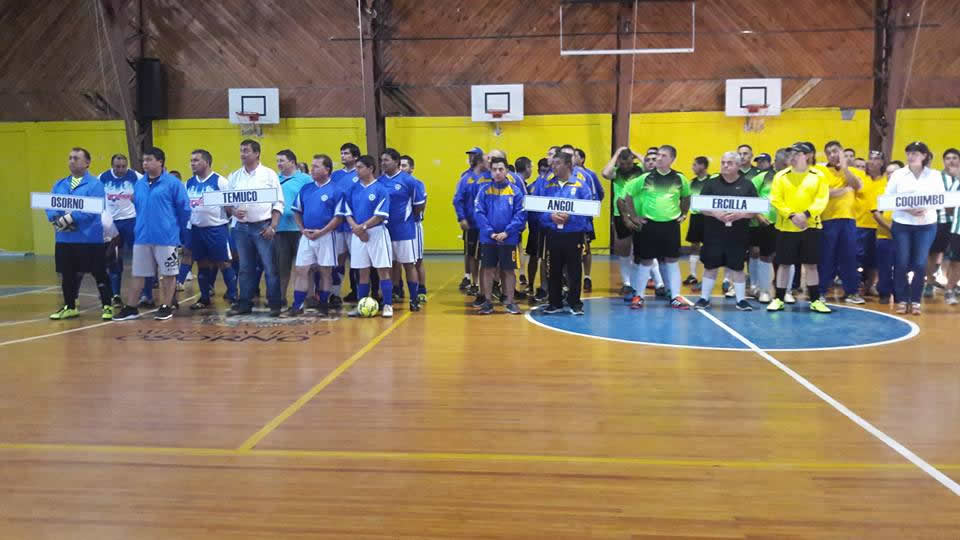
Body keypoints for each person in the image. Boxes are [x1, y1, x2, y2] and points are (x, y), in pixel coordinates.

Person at [114, 147, 191, 321]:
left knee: (168, 273)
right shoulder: (139, 184)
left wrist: (174, 228)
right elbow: (139, 207)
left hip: (166, 237)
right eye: (144, 160)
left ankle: (166, 306)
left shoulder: (173, 183)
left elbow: (184, 209)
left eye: (149, 160)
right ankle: (131, 307)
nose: (145, 163)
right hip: (142, 236)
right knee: (139, 273)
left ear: (160, 162)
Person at [617, 145, 692, 309]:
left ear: (672, 159)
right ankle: (639, 296)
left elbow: (686, 197)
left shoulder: (680, 179)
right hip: (649, 226)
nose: (659, 158)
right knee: (646, 261)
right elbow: (627, 197)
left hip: (671, 225)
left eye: (663, 156)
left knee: (672, 260)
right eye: (658, 155)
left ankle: (675, 296)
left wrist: (684, 213)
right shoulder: (645, 178)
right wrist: (634, 216)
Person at [47, 147, 114, 321]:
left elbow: (92, 209)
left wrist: (69, 218)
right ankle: (70, 306)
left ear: (87, 163)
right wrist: (55, 218)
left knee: (99, 272)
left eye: (76, 158)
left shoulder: (95, 185)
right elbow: (51, 205)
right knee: (67, 273)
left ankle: (107, 305)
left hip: (88, 238)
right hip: (64, 238)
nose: (72, 161)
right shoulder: (59, 184)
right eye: (70, 158)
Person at [766, 142, 831, 314]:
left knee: (811, 265)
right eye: (790, 154)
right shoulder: (780, 176)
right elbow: (775, 199)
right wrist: (792, 215)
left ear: (807, 155)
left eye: (797, 153)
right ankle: (778, 298)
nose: (792, 157)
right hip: (786, 227)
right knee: (784, 264)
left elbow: (822, 199)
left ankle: (815, 300)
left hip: (811, 227)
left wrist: (806, 215)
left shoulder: (818, 176)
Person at [225, 139, 284, 317]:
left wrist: (272, 226)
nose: (242, 154)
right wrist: (234, 212)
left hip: (263, 225)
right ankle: (244, 303)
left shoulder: (269, 175)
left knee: (270, 267)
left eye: (246, 151)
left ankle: (274, 304)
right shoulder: (234, 176)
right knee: (244, 267)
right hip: (241, 228)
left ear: (257, 153)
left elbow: (279, 202)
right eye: (241, 150)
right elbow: (227, 203)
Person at [693, 151, 759, 311]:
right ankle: (704, 298)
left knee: (737, 267)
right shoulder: (711, 184)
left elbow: (755, 209)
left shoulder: (747, 185)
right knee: (710, 266)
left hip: (738, 234)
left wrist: (739, 215)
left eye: (729, 163)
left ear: (737, 165)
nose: (725, 165)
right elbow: (701, 206)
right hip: (713, 234)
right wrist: (715, 213)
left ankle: (741, 300)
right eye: (723, 162)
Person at [884, 141, 945, 314]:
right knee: (901, 263)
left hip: (926, 225)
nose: (911, 156)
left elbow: (940, 198)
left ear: (924, 156)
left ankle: (916, 300)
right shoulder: (898, 175)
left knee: (919, 263)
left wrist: (925, 207)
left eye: (916, 153)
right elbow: (889, 197)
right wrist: (908, 208)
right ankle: (902, 299)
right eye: (909, 152)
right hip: (902, 224)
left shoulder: (934, 175)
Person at [288, 154, 344, 317]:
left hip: (326, 236)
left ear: (327, 170)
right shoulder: (306, 189)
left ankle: (323, 303)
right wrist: (302, 229)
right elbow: (297, 212)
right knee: (301, 269)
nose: (311, 169)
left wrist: (322, 232)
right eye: (311, 166)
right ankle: (297, 305)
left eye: (316, 166)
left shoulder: (336, 190)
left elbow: (338, 217)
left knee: (325, 271)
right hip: (307, 236)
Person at [538, 151, 593, 315]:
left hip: (574, 234)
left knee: (574, 269)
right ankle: (554, 302)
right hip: (553, 234)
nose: (552, 166)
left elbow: (587, 212)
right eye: (552, 163)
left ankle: (575, 302)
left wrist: (570, 218)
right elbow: (539, 211)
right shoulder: (547, 186)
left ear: (568, 165)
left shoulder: (581, 186)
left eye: (557, 163)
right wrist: (550, 217)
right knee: (553, 268)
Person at [340, 155, 395, 318]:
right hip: (357, 233)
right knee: (362, 272)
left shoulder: (381, 189)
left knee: (382, 270)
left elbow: (380, 215)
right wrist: (356, 228)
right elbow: (347, 212)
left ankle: (388, 305)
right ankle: (361, 304)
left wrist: (363, 227)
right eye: (356, 167)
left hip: (377, 233)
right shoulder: (353, 189)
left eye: (360, 167)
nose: (356, 170)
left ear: (370, 168)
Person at [473, 157, 526, 314]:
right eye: (494, 169)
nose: (497, 172)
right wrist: (490, 232)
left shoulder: (516, 192)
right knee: (488, 269)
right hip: (488, 239)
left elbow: (521, 215)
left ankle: (510, 301)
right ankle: (488, 301)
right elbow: (479, 213)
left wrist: (506, 232)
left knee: (508, 270)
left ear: (507, 171)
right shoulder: (483, 190)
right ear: (490, 171)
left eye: (501, 169)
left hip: (509, 239)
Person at [183, 149, 233, 310]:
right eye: (191, 160)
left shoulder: (220, 181)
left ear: (206, 162)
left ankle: (233, 296)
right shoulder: (189, 183)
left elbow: (230, 207)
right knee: (202, 264)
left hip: (216, 229)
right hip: (197, 230)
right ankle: (204, 298)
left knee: (223, 262)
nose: (192, 163)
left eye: (196, 160)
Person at [818, 140, 867, 304]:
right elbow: (824, 194)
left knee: (849, 257)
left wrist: (845, 167)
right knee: (826, 257)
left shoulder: (852, 171)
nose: (833, 155)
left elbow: (857, 186)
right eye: (829, 152)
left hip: (849, 220)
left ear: (842, 152)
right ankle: (821, 291)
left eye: (835, 151)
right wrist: (843, 190)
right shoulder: (821, 171)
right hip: (828, 219)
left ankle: (852, 292)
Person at [379, 148, 426, 311]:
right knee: (388, 265)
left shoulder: (409, 181)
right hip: (384, 231)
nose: (383, 163)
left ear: (396, 161)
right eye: (382, 160)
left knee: (408, 265)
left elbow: (419, 204)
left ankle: (414, 298)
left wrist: (407, 219)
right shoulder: (379, 181)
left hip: (405, 230)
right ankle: (390, 296)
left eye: (386, 160)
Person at [100, 153, 144, 307]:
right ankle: (116, 295)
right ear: (112, 166)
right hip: (112, 224)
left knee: (140, 257)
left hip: (131, 222)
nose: (120, 169)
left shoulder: (136, 177)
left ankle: (145, 293)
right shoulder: (102, 178)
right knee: (114, 258)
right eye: (117, 166)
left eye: (123, 166)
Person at [602, 147, 645, 296]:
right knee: (624, 249)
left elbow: (650, 168)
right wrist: (616, 154)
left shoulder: (640, 170)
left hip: (638, 212)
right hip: (620, 213)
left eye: (629, 164)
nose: (626, 167)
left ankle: (641, 282)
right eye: (623, 164)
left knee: (642, 250)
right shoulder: (616, 172)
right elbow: (605, 173)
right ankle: (627, 283)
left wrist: (636, 154)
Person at [274, 149, 312, 307]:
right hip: (280, 230)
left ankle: (308, 297)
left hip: (299, 230)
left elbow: (311, 201)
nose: (279, 164)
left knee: (304, 267)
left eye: (282, 160)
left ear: (292, 162)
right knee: (282, 268)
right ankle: (281, 297)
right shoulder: (275, 179)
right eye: (277, 161)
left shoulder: (305, 179)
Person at [748, 149, 786, 303]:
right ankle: (763, 290)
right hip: (766, 223)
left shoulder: (792, 178)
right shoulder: (761, 177)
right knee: (765, 256)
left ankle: (786, 291)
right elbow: (749, 196)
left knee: (786, 258)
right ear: (776, 161)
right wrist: (758, 216)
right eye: (785, 162)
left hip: (787, 223)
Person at [922, 148, 959, 299]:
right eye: (948, 158)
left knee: (954, 257)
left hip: (957, 223)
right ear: (943, 161)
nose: (951, 161)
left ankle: (952, 284)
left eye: (954, 158)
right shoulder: (937, 177)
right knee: (933, 253)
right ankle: (929, 283)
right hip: (940, 221)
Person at [453, 148, 488, 296]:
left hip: (488, 225)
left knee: (488, 256)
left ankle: (489, 284)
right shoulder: (465, 178)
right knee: (472, 255)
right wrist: (461, 218)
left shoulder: (490, 177)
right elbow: (458, 200)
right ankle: (474, 283)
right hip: (472, 224)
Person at [854, 150, 888, 298]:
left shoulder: (887, 181)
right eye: (871, 158)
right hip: (859, 224)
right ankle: (857, 285)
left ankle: (870, 286)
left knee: (874, 261)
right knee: (857, 258)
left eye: (876, 159)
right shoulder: (860, 177)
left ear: (882, 162)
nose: (872, 161)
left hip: (879, 226)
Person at [572, 147, 604, 292]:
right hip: (567, 222)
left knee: (586, 249)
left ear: (581, 159)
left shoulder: (589, 175)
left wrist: (589, 210)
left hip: (584, 220)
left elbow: (599, 193)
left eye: (574, 156)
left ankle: (587, 276)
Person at [334, 142, 361, 305]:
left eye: (346, 153)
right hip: (338, 224)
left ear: (355, 156)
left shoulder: (360, 174)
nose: (343, 156)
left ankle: (358, 291)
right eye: (341, 153)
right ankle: (335, 293)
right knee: (338, 260)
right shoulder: (335, 175)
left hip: (354, 224)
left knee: (357, 260)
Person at [400, 154, 428, 304]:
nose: (401, 168)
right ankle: (397, 288)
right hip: (398, 227)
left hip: (413, 225)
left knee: (416, 261)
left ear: (411, 168)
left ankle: (421, 289)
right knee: (394, 262)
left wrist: (411, 218)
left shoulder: (417, 183)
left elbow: (420, 206)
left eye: (404, 165)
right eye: (400, 165)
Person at [684, 156, 711, 287]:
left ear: (703, 166)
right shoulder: (691, 183)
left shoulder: (712, 182)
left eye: (695, 165)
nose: (692, 167)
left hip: (709, 218)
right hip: (695, 218)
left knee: (709, 247)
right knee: (694, 245)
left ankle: (706, 276)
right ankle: (693, 275)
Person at [940, 149, 960, 304]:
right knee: (956, 261)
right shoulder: (957, 184)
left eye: (955, 158)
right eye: (949, 158)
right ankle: (949, 289)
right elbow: (948, 206)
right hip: (957, 229)